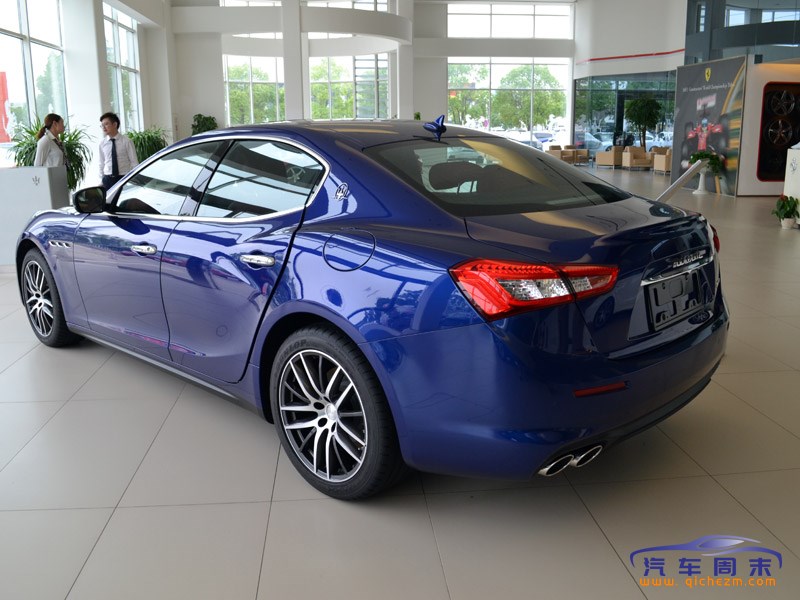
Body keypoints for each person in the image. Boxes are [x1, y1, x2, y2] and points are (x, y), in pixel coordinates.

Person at [98, 111, 138, 190]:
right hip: (107, 179)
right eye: (102, 125)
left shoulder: (127, 141)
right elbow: (101, 163)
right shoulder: (102, 143)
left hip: (124, 178)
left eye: (106, 124)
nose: (103, 127)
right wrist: (101, 180)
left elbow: (134, 162)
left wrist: (134, 180)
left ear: (115, 124)